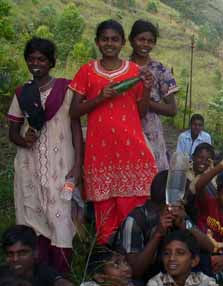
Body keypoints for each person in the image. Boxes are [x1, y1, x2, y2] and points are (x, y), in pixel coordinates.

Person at [69, 19, 157, 244]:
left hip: (131, 150)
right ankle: (108, 263)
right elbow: (74, 111)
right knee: (104, 213)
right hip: (100, 155)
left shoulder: (135, 71)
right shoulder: (87, 71)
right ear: (97, 42)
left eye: (115, 39)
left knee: (133, 212)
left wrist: (146, 89)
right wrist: (100, 98)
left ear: (122, 43)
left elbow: (141, 112)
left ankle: (133, 260)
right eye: (105, 39)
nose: (110, 43)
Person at [6, 37, 82, 274]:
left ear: (51, 62)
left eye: (41, 59)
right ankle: (35, 274)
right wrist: (24, 139)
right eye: (31, 59)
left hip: (62, 166)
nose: (35, 63)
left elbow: (76, 129)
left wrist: (78, 164)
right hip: (31, 167)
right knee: (34, 218)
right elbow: (13, 132)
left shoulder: (67, 90)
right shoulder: (22, 93)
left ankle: (60, 275)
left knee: (61, 218)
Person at [110, 171, 214, 282]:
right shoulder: (135, 220)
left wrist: (185, 225)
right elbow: (135, 271)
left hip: (169, 270)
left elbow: (209, 247)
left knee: (202, 259)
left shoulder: (177, 212)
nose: (185, 200)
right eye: (183, 196)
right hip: (145, 276)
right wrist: (158, 234)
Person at [129, 19, 178, 171]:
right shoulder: (123, 68)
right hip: (127, 128)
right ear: (131, 40)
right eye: (141, 39)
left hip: (152, 132)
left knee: (154, 178)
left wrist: (145, 102)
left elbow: (172, 109)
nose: (145, 44)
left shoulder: (160, 70)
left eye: (150, 41)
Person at [0, 225, 72, 286]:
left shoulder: (43, 271)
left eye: (22, 253)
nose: (15, 259)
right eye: (10, 254)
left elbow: (60, 281)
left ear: (35, 252)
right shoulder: (3, 275)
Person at [146, 230, 218, 286]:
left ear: (194, 261)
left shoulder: (205, 282)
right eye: (167, 253)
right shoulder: (156, 283)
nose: (171, 258)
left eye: (180, 253)